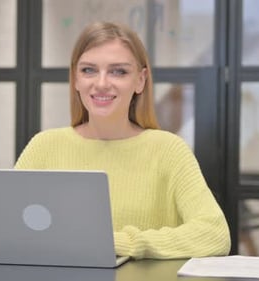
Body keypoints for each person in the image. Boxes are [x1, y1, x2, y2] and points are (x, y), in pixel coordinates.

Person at [13, 21, 231, 260]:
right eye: (88, 70)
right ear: (75, 79)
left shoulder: (169, 150)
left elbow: (215, 234)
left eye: (119, 71)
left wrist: (118, 243)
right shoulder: (44, 146)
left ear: (140, 80)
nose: (102, 83)